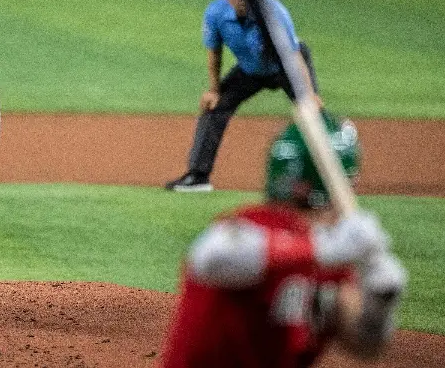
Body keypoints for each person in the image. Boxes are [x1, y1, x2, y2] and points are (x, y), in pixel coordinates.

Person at [159, 113, 406, 367]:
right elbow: (210, 257)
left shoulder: (332, 259)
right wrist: (324, 249)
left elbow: (364, 346)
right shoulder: (253, 227)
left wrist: (381, 299)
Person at [165, 0, 321, 192]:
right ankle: (198, 176)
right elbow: (214, 54)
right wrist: (214, 90)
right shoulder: (216, 14)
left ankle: (327, 178)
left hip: (286, 67)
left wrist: (310, 95)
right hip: (250, 71)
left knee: (312, 115)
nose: (241, 1)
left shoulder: (274, 13)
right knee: (214, 108)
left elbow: (294, 56)